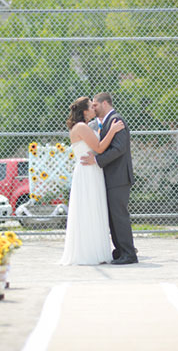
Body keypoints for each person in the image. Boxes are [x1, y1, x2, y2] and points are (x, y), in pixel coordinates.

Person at [59, 96, 124, 265]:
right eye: (91, 106)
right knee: (90, 210)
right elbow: (100, 147)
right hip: (88, 172)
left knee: (94, 209)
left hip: (92, 170)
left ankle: (96, 250)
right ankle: (90, 253)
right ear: (85, 111)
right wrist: (113, 130)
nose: (94, 109)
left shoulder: (85, 126)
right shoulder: (81, 127)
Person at [81, 92, 137, 265]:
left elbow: (119, 149)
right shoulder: (106, 123)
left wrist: (97, 160)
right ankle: (120, 250)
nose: (93, 108)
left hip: (119, 177)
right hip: (111, 177)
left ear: (104, 104)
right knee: (113, 217)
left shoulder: (116, 121)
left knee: (119, 216)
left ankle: (129, 253)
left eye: (95, 105)